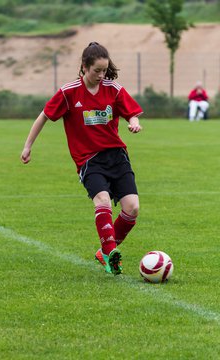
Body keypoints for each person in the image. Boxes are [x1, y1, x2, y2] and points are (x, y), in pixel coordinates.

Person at [21, 42, 143, 276]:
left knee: (132, 208)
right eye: (96, 70)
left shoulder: (113, 89)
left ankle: (104, 251)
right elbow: (44, 116)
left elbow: (132, 113)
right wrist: (28, 146)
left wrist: (134, 123)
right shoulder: (69, 92)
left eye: (104, 70)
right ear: (84, 67)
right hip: (89, 160)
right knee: (103, 201)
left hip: (117, 156)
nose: (101, 75)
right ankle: (110, 256)